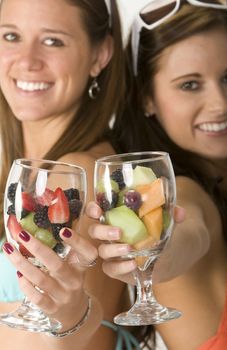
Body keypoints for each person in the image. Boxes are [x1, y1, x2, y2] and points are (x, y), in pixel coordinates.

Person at [87, 1, 227, 349]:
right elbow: (188, 232)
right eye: (190, 85)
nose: (221, 103)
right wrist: (151, 253)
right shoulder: (182, 191)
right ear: (147, 99)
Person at [0, 0, 127, 349]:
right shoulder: (25, 171)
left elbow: (79, 341)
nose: (26, 60)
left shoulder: (77, 174)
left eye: (53, 41)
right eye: (11, 36)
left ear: (100, 55)